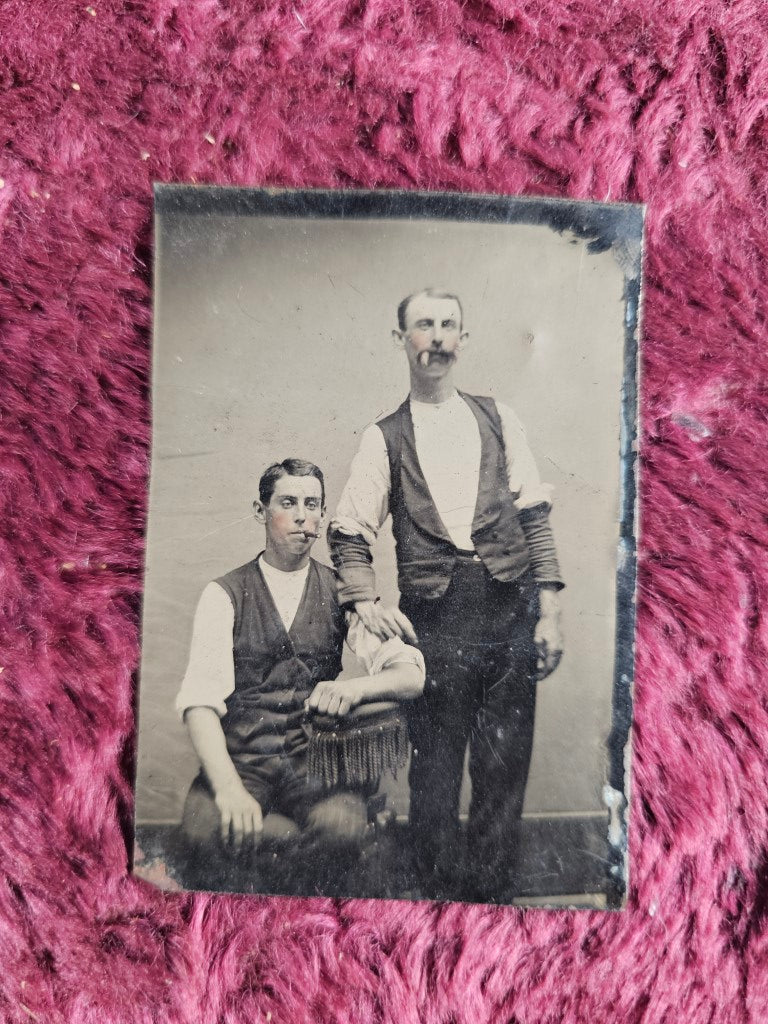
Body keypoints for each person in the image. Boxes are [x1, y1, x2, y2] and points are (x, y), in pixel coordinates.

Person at [328, 288, 565, 902]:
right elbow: (349, 530)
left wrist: (552, 612)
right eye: (423, 325)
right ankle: (437, 901)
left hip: (510, 608)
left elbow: (535, 515)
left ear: (464, 338)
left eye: (448, 325)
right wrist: (362, 602)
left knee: (503, 767)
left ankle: (493, 902)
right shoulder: (384, 438)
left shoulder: (497, 417)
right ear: (401, 339)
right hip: (435, 618)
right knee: (433, 771)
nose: (436, 337)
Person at [176, 458, 425, 893]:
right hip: (242, 763)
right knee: (203, 832)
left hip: (314, 768)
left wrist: (353, 688)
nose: (301, 516)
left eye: (312, 505)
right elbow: (199, 705)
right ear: (261, 511)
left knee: (342, 831)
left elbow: (411, 675)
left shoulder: (345, 594)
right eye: (287, 502)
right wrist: (230, 789)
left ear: (322, 516)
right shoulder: (224, 594)